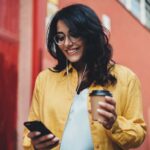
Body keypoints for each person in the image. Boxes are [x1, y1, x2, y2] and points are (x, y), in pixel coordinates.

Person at [23, 3, 146, 150]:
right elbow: (28, 138)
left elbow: (139, 134)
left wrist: (114, 124)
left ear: (90, 34)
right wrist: (35, 145)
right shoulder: (45, 80)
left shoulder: (126, 79)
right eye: (60, 37)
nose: (67, 44)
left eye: (74, 34)